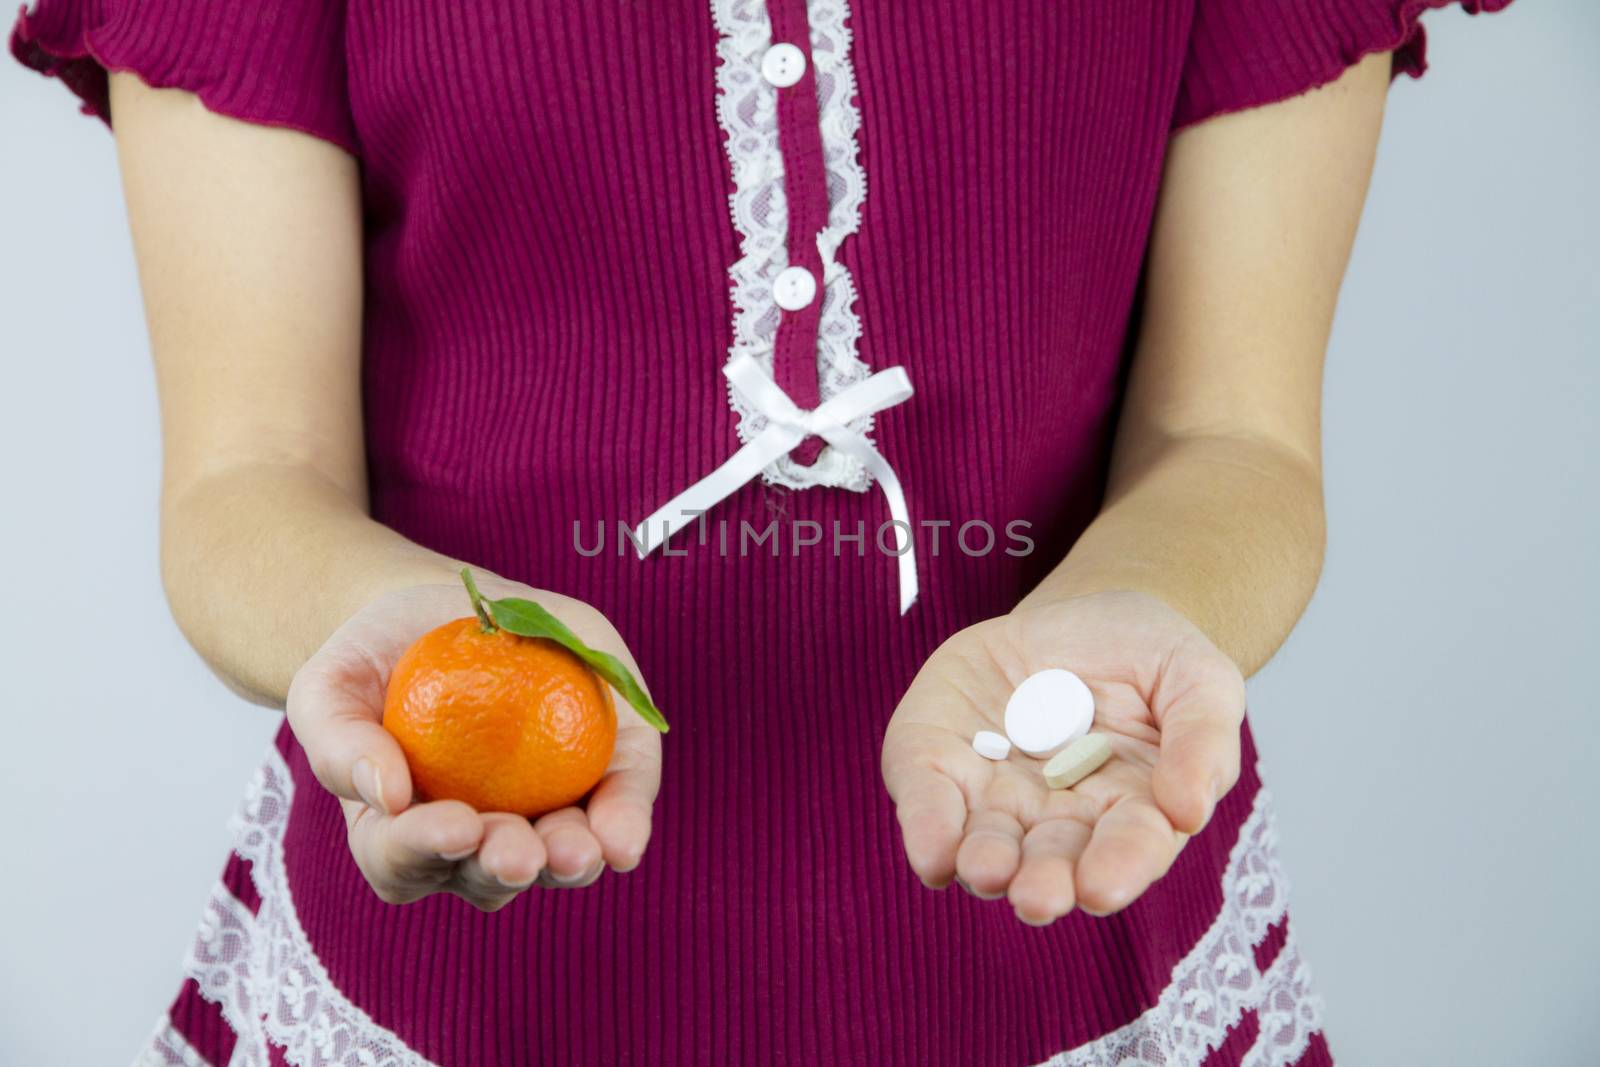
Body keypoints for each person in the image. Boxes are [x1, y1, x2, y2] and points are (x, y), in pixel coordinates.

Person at [11, 0, 1510, 1063]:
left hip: (1071, 908)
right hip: (459, 967)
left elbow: (1232, 439)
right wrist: (414, 641)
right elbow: (245, 478)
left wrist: (1141, 604)